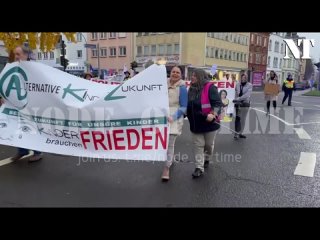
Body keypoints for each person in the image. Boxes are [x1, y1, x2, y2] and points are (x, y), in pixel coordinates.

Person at [187, 69, 222, 178]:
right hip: (195, 122)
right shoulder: (191, 89)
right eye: (191, 75)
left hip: (209, 123)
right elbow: (189, 105)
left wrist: (213, 114)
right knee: (198, 145)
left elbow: (217, 104)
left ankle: (207, 158)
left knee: (208, 145)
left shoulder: (210, 87)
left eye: (195, 75)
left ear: (201, 76)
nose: (192, 77)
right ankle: (199, 167)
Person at [10, 46, 43, 162]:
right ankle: (22, 151)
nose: (16, 57)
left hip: (32, 105)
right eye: (15, 54)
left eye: (18, 54)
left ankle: (37, 152)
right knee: (17, 127)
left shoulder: (35, 69)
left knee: (31, 128)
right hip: (18, 104)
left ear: (26, 55)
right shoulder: (14, 68)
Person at [161, 66, 187, 181]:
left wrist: (174, 116)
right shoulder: (162, 84)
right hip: (162, 116)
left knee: (170, 143)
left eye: (178, 72)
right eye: (173, 72)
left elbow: (184, 106)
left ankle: (166, 167)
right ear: (170, 73)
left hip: (174, 117)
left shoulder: (182, 87)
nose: (175, 74)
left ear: (180, 75)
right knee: (161, 141)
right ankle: (170, 158)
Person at [233, 73, 252, 139]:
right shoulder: (237, 84)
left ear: (247, 78)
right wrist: (234, 99)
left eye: (245, 77)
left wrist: (238, 98)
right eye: (242, 77)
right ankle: (236, 133)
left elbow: (247, 95)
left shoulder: (249, 85)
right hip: (238, 104)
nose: (243, 79)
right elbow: (234, 92)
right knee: (238, 118)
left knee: (243, 119)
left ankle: (240, 133)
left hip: (245, 104)